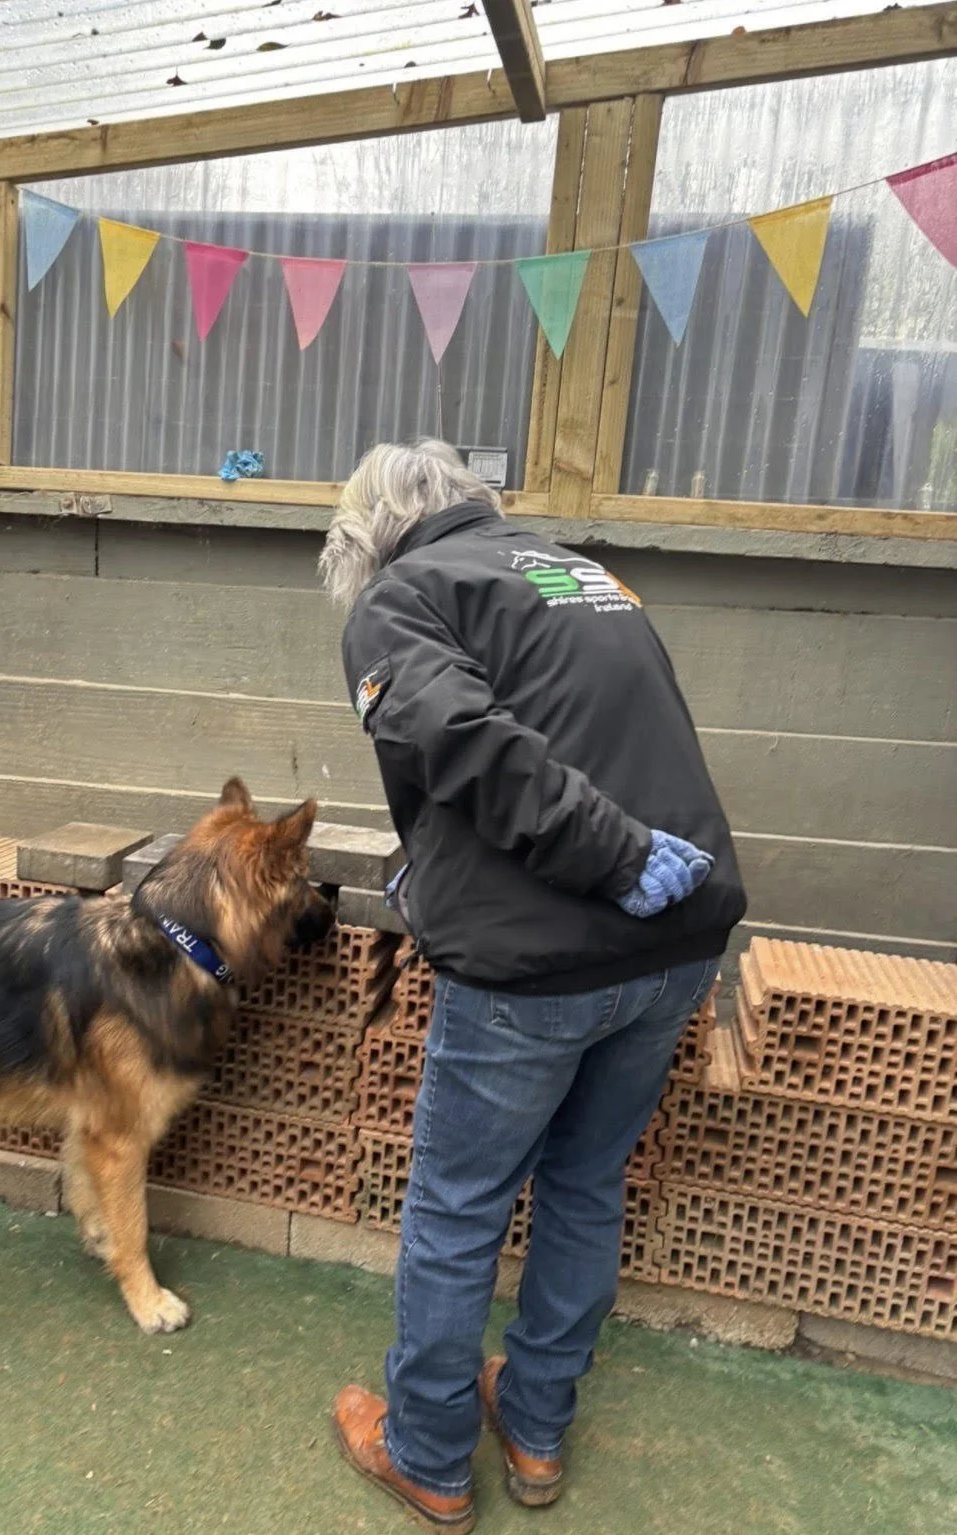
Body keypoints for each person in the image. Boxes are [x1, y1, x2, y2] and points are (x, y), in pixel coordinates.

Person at [319, 440, 747, 1533]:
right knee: (584, 1183)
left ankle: (425, 1454)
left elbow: (461, 738)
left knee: (458, 1206)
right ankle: (538, 1429)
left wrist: (611, 854)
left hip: (543, 960)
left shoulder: (401, 596)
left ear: (367, 532)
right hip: (676, 943)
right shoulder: (576, 572)